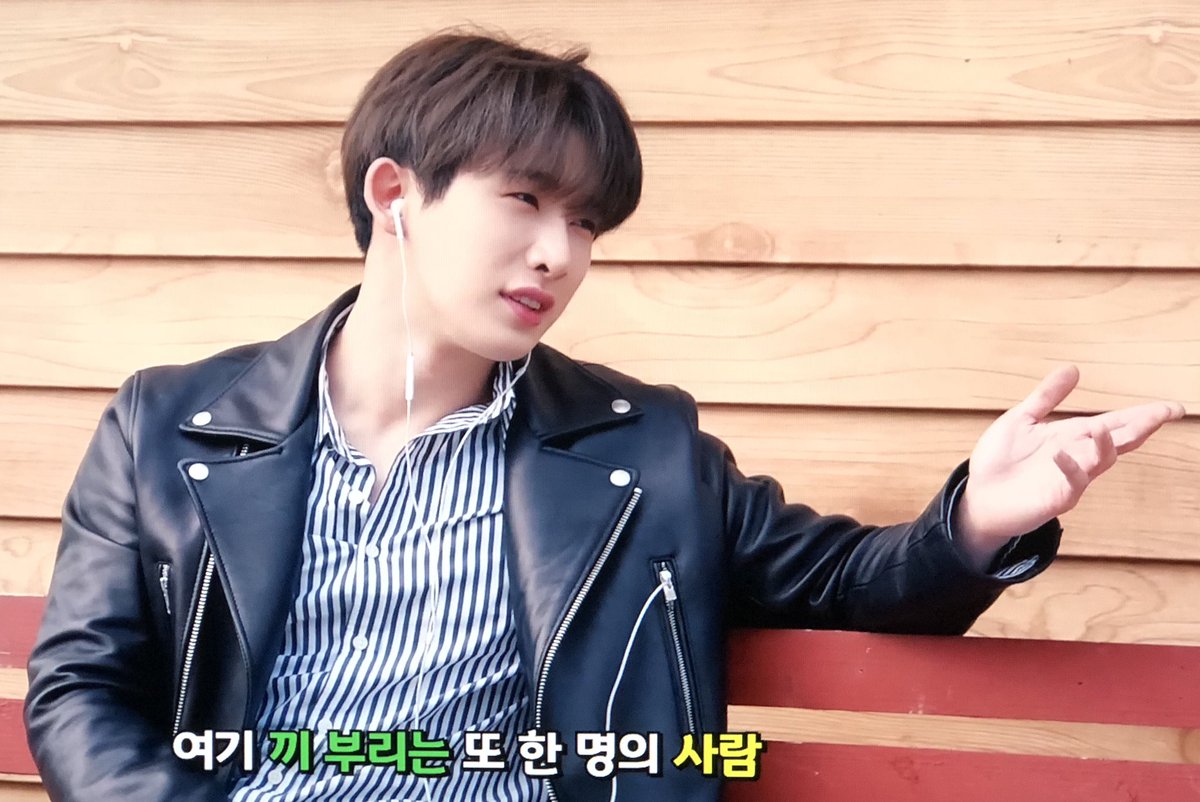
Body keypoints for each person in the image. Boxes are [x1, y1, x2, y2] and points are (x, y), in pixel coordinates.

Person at [24, 29, 1185, 802]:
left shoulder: (640, 450)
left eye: (586, 223)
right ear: (395, 196)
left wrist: (978, 520)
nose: (559, 253)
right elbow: (81, 691)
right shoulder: (166, 425)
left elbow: (849, 582)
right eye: (526, 200)